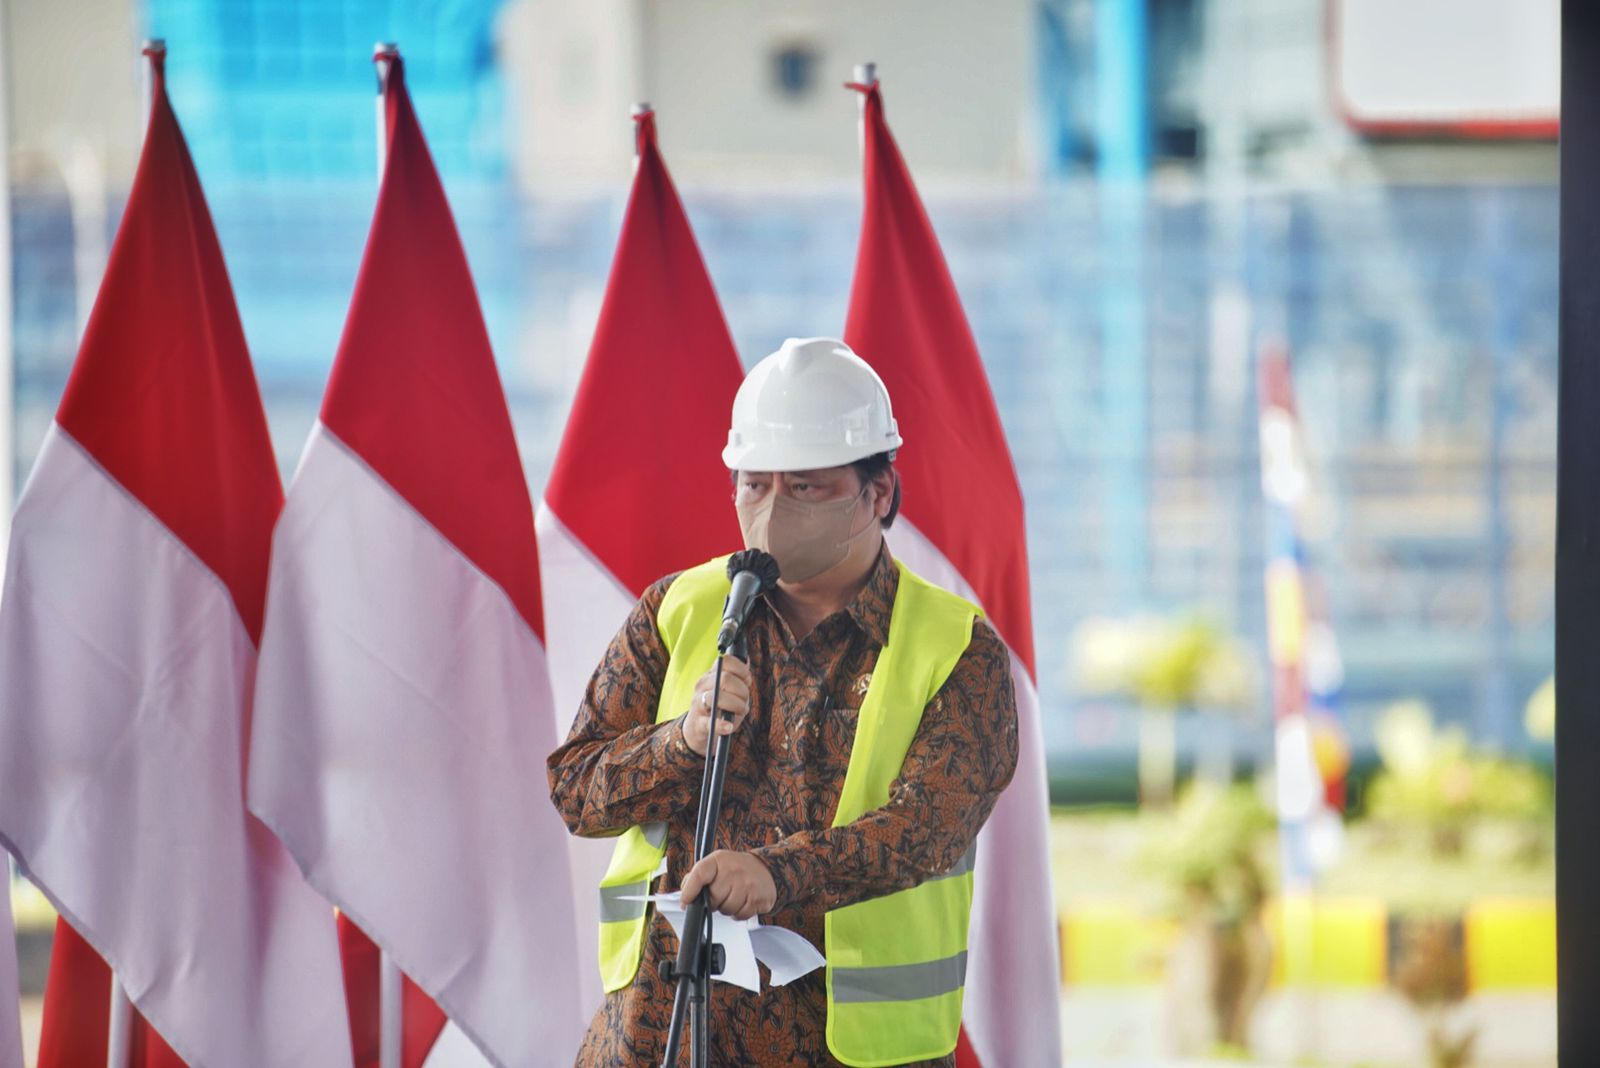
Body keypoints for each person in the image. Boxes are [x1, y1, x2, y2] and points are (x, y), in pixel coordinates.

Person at [548, 337, 1019, 1067]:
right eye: (754, 484)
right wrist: (682, 743)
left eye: (805, 487)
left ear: (880, 493)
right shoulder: (681, 610)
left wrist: (776, 873)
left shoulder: (956, 648)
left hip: (849, 1050)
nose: (770, 510)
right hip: (658, 1033)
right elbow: (575, 789)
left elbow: (924, 828)